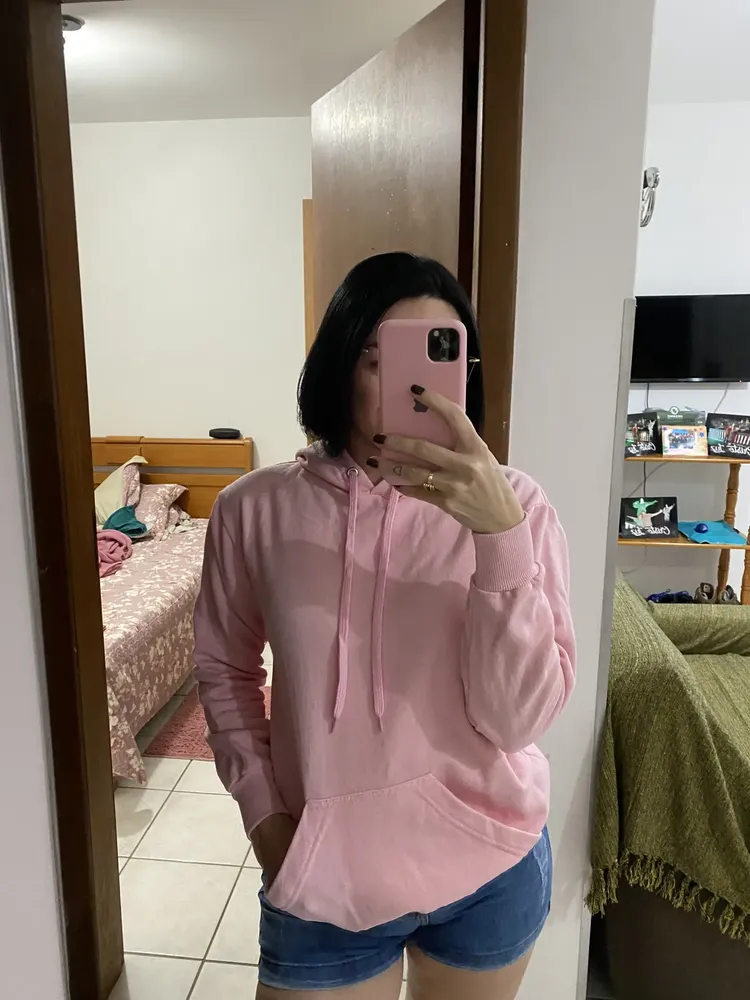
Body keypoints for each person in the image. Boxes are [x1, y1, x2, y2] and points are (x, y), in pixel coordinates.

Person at [193, 252, 576, 1000]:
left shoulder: (518, 507)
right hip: (320, 876)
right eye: (379, 356)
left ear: (466, 375)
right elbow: (224, 669)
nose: (412, 386)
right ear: (337, 363)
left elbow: (517, 720)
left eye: (439, 358)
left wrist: (499, 539)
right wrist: (265, 817)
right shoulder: (252, 510)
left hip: (491, 868)